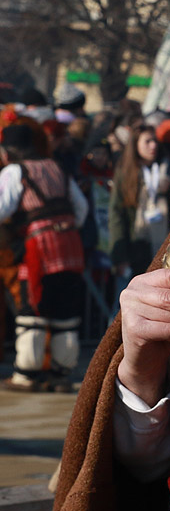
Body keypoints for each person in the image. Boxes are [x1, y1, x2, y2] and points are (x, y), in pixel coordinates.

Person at [0, 122, 89, 392]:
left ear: (8, 151)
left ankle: (27, 374)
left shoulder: (17, 171)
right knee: (64, 310)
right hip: (70, 244)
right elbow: (81, 209)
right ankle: (61, 374)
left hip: (37, 248)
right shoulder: (56, 167)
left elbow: (1, 209)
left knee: (34, 306)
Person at [109, 126, 170, 288]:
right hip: (135, 245)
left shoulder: (168, 167)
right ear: (135, 145)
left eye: (154, 141)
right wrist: (120, 257)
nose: (153, 146)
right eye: (147, 141)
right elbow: (116, 214)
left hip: (163, 245)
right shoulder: (126, 172)